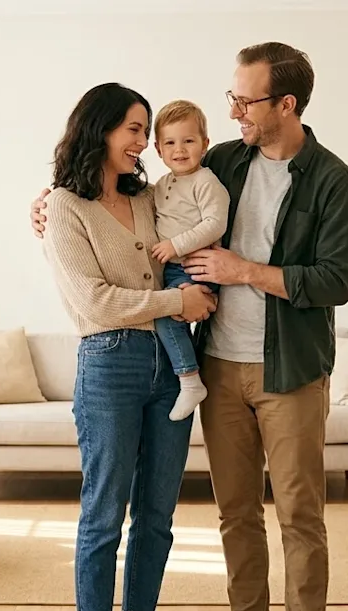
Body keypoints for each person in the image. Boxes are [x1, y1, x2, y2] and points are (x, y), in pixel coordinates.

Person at [29, 43, 348, 611]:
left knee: (295, 510)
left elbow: (336, 279)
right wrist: (44, 204)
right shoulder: (223, 162)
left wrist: (244, 273)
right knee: (231, 509)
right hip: (207, 362)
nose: (233, 109)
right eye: (232, 98)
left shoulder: (332, 179)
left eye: (246, 99)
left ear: (285, 104)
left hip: (286, 366)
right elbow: (128, 210)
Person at [38, 82, 218, 611]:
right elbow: (94, 299)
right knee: (105, 506)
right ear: (100, 128)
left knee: (159, 509)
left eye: (147, 131)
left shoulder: (148, 198)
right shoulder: (64, 206)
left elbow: (202, 211)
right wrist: (176, 300)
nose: (143, 143)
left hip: (172, 366)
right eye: (134, 129)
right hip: (110, 361)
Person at [146, 100, 230, 421]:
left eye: (189, 141)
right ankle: (187, 374)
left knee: (167, 315)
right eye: (170, 142)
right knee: (170, 318)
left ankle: (190, 380)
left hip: (193, 266)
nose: (179, 150)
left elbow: (214, 223)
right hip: (170, 268)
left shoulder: (206, 182)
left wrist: (175, 245)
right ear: (158, 149)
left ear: (205, 144)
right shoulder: (162, 185)